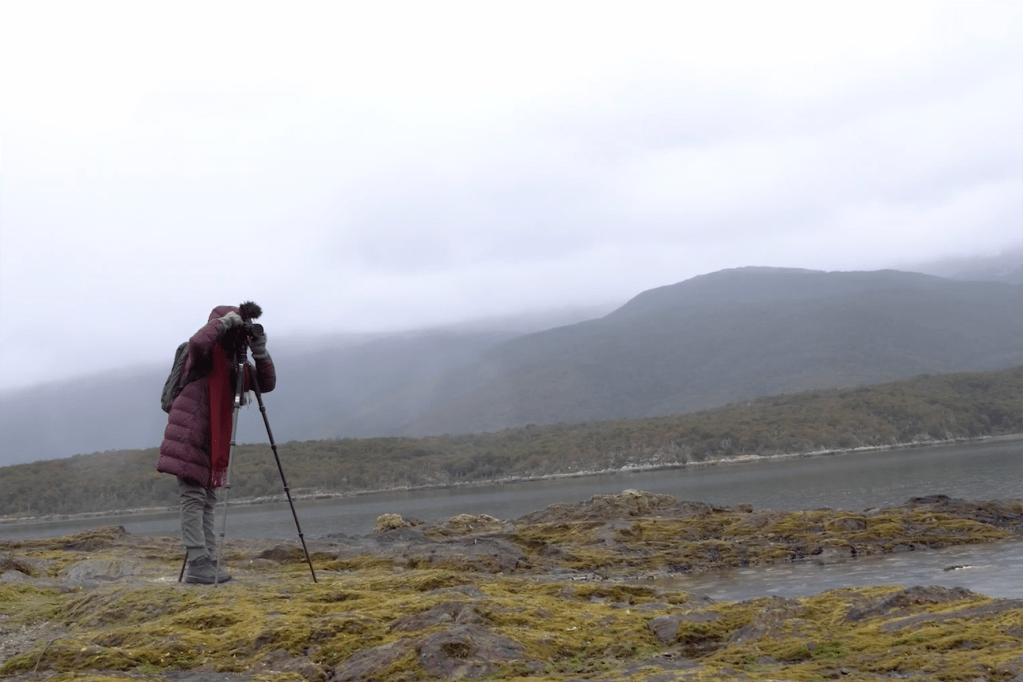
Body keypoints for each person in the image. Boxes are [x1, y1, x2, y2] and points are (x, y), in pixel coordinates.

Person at [157, 304, 276, 584]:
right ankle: (198, 562)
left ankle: (208, 560)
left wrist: (259, 350)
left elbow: (266, 384)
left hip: (210, 437)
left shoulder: (233, 364)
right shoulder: (201, 355)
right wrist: (225, 322)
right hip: (189, 433)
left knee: (208, 499)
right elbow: (198, 341)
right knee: (193, 497)